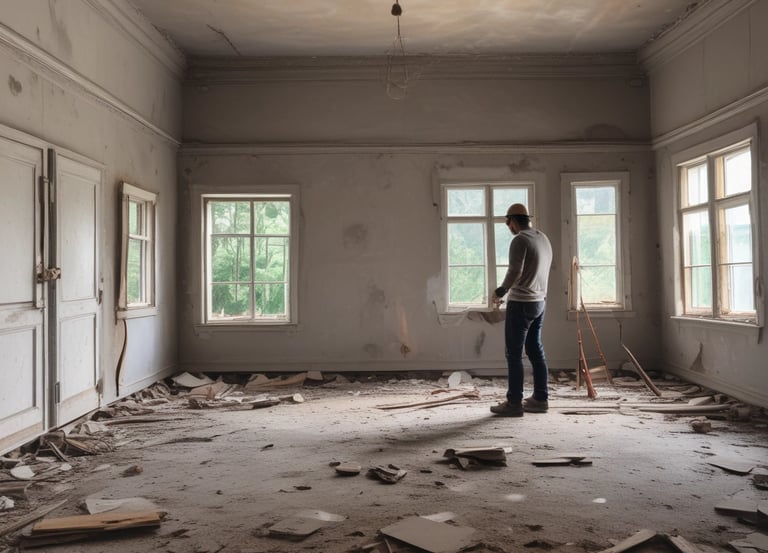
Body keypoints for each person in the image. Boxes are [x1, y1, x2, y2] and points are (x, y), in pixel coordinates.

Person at [490, 203, 553, 417]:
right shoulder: (542, 238)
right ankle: (540, 399)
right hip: (539, 302)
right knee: (535, 349)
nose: (509, 228)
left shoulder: (520, 240)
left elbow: (515, 271)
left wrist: (500, 291)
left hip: (521, 303)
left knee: (513, 354)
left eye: (508, 224)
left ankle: (514, 403)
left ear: (513, 221)